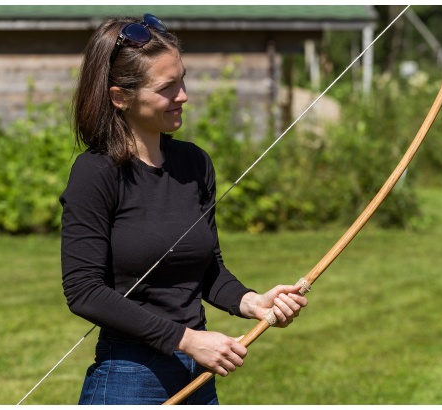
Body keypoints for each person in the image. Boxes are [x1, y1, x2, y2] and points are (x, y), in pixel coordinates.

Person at [59, 13, 308, 405]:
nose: (184, 95)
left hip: (197, 376)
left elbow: (207, 269)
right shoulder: (95, 172)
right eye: (167, 87)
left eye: (183, 79)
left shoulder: (195, 164)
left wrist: (251, 301)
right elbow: (83, 291)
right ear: (119, 97)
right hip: (129, 376)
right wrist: (187, 340)